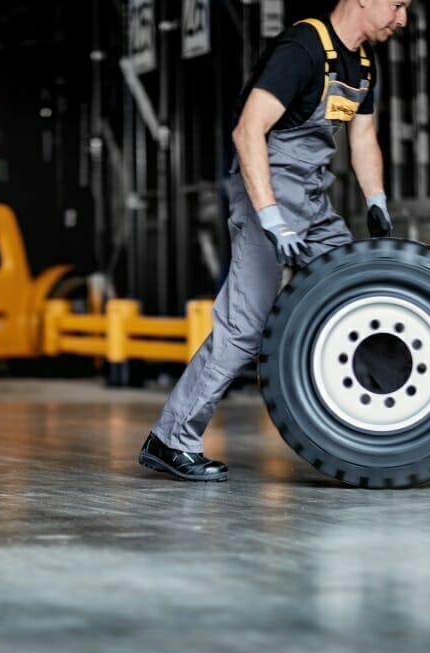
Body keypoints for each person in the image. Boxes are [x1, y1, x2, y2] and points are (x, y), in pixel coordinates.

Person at [139, 0, 411, 482]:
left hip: (311, 195)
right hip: (265, 191)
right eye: (398, 5)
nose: (402, 19)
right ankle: (170, 437)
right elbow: (248, 131)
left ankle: (397, 416)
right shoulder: (301, 48)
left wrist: (377, 200)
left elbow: (363, 137)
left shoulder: (363, 62)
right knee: (245, 325)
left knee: (356, 295)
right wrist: (270, 217)